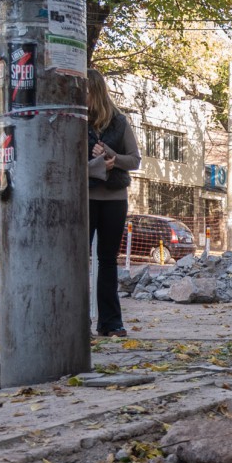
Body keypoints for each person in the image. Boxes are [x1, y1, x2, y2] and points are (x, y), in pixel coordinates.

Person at [86, 69, 141, 337]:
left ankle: (110, 322)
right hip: (83, 198)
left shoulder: (119, 122)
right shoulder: (72, 120)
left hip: (113, 200)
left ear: (96, 91)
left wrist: (111, 157)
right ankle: (73, 319)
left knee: (107, 260)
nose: (80, 96)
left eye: (84, 90)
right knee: (76, 261)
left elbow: (134, 160)